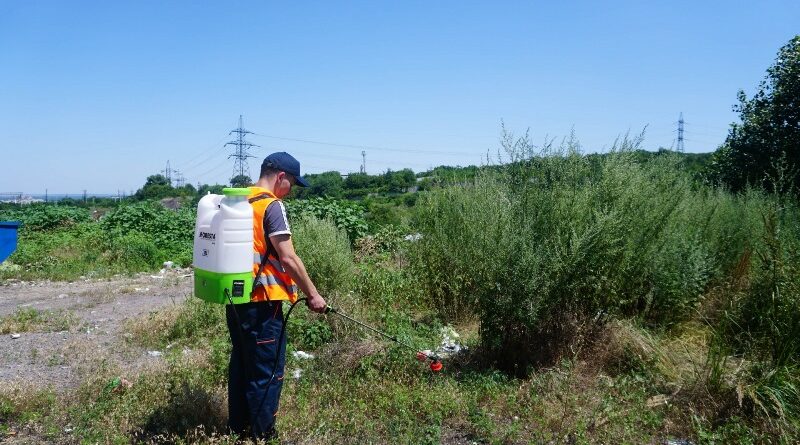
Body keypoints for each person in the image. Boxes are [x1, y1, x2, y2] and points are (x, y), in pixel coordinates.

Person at [226, 152, 327, 441]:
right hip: (263, 303)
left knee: (242, 365)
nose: (291, 190)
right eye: (292, 183)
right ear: (281, 176)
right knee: (267, 372)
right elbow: (289, 259)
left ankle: (238, 429)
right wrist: (313, 295)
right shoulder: (271, 206)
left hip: (235, 301)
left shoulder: (237, 201)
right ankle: (263, 435)